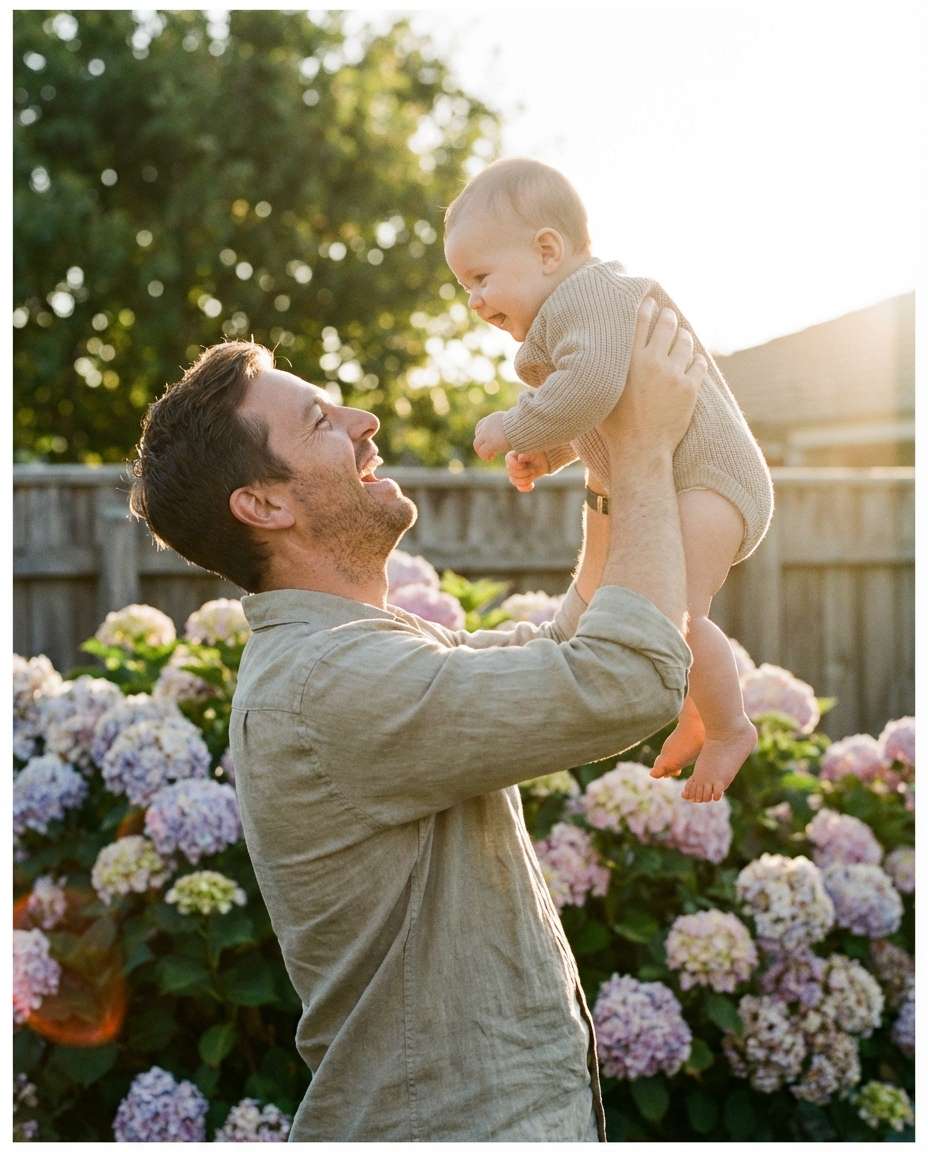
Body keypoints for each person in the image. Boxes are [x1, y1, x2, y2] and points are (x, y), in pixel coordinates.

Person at [128, 298, 703, 1141]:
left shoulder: (360, 653)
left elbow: (560, 645)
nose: (364, 421)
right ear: (263, 505)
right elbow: (628, 676)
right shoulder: (333, 681)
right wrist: (652, 447)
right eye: (322, 420)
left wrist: (608, 462)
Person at [444, 157, 774, 803]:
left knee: (673, 611)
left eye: (481, 278)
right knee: (669, 617)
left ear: (547, 251)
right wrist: (556, 451)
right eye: (464, 288)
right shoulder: (579, 311)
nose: (475, 300)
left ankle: (731, 727)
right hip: (696, 477)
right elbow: (609, 406)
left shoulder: (589, 296)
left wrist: (518, 426)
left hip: (711, 478)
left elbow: (591, 386)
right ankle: (700, 705)